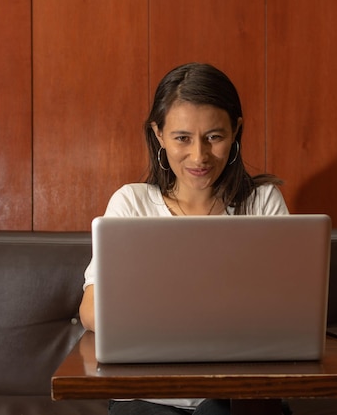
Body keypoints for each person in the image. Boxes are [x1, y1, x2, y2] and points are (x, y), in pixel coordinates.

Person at [79, 62, 290, 415]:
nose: (199, 156)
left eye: (214, 137)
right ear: (158, 133)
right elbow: (92, 311)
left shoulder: (263, 201)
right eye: (182, 138)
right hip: (148, 394)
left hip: (239, 389)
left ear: (236, 130)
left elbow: (286, 308)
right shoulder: (131, 203)